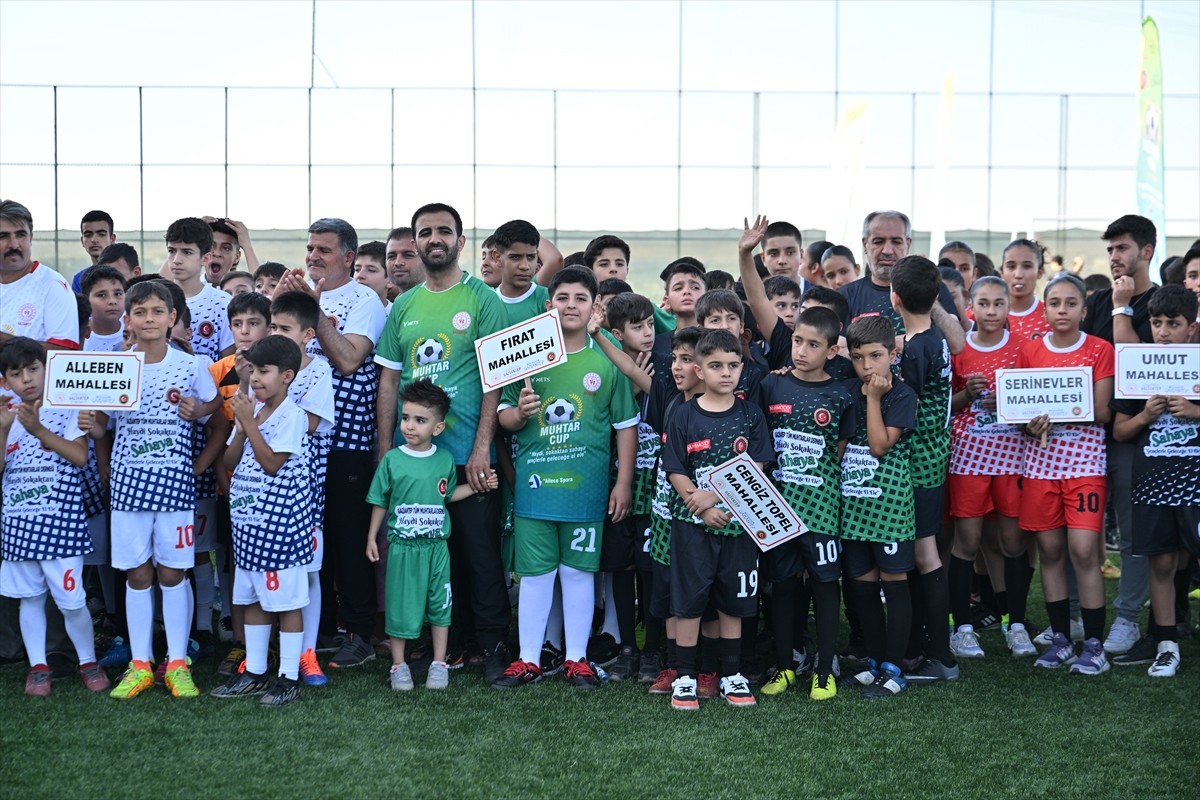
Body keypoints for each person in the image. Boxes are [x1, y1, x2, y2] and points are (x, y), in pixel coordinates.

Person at [375, 203, 511, 681]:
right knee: (430, 558)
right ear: (416, 243)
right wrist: (386, 451)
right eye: (426, 232)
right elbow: (389, 383)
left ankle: (494, 648)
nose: (435, 238)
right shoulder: (404, 306)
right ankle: (444, 649)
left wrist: (480, 448)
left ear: (460, 241)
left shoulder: (481, 299)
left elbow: (496, 380)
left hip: (468, 456)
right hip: (414, 461)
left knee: (479, 556)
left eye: (444, 231)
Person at [492, 266, 638, 690]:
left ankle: (577, 659)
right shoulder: (525, 358)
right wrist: (518, 414)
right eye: (562, 297)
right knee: (535, 576)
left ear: (594, 307)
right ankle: (528, 659)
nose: (570, 305)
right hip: (536, 491)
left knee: (577, 574)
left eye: (580, 298)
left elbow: (625, 425)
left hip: (586, 491)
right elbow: (503, 417)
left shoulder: (604, 359)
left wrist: (623, 483)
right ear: (548, 304)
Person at [80, 280, 219, 699]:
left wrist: (198, 463)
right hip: (128, 490)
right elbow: (105, 428)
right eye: (140, 313)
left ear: (172, 318)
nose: (149, 319)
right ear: (129, 319)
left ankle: (176, 663)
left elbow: (217, 418)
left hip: (175, 489)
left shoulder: (191, 366)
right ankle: (140, 664)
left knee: (174, 573)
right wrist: (94, 425)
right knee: (138, 575)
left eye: (158, 312)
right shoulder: (117, 365)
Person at [277, 218, 387, 669]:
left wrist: (313, 311)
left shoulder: (366, 300)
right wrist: (284, 305)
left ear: (348, 257)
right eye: (310, 248)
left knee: (348, 536)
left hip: (346, 441)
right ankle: (316, 629)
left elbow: (346, 360)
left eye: (324, 249)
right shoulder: (297, 295)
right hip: (296, 438)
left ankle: (359, 632)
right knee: (308, 535)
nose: (313, 256)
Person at [662, 328, 772, 711]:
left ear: (742, 368)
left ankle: (731, 675)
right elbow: (674, 468)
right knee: (690, 601)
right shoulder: (683, 415)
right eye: (715, 366)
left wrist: (719, 496)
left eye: (732, 365)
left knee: (733, 601)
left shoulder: (751, 415)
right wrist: (701, 503)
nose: (725, 372)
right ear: (699, 370)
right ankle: (686, 678)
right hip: (691, 524)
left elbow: (757, 465)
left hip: (740, 525)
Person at [366, 379, 497, 691]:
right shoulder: (392, 460)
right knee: (400, 606)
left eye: (420, 420)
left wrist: (480, 486)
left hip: (437, 548)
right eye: (406, 418)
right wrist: (373, 537)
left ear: (437, 428)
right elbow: (380, 500)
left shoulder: (444, 460)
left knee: (441, 605)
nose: (410, 426)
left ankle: (440, 664)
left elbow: (446, 496)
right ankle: (399, 666)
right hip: (402, 548)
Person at [0, 338, 108, 696]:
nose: (27, 379)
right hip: (18, 522)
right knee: (29, 598)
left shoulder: (67, 407)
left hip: (61, 523)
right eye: (16, 374)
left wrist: (39, 430)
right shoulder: (6, 415)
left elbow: (79, 457)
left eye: (34, 369)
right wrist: (3, 429)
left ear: (48, 369)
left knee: (71, 598)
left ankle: (88, 662)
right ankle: (39, 668)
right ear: (6, 381)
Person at [756, 307, 854, 700]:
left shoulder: (842, 393)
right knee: (782, 586)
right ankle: (785, 665)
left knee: (825, 585)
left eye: (813, 345)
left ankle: (824, 668)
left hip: (822, 510)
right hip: (778, 509)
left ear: (832, 351)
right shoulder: (771, 385)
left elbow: (842, 451)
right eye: (797, 341)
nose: (801, 350)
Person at [1019, 275, 1114, 674]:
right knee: (1051, 553)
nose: (1062, 310)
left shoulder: (1099, 349)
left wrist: (1059, 412)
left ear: (1084, 309)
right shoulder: (1030, 350)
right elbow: (1020, 411)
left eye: (1071, 303)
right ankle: (1061, 639)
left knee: (1082, 551)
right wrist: (1030, 424)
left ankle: (1094, 644)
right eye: (1055, 303)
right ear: (1044, 308)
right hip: (1040, 466)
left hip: (1085, 465)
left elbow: (1103, 411)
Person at [210, 336, 312, 706]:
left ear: (287, 376)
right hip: (249, 526)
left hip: (280, 528)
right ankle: (254, 671)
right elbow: (231, 460)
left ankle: (287, 677)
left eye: (264, 372)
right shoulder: (253, 409)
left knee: (286, 604)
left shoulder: (292, 415)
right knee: (251, 599)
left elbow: (271, 464)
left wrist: (249, 422)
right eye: (252, 370)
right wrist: (241, 423)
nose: (255, 379)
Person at [1110, 285, 1200, 677]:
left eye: (1173, 324)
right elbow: (1119, 431)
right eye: (1157, 323)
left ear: (1191, 328)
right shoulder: (1138, 366)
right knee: (1161, 560)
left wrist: (1195, 412)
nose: (1163, 331)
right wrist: (1145, 416)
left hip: (1194, 480)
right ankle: (1165, 643)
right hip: (1154, 481)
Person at [1083, 216, 1160, 658]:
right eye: (1110, 250)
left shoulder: (1163, 303)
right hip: (1089, 435)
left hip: (1137, 435)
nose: (1115, 257)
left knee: (1131, 536)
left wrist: (1123, 306)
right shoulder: (1095, 300)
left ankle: (1128, 619)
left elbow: (1134, 366)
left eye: (1123, 248)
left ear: (1146, 251)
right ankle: (1075, 613)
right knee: (1082, 531)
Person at [946, 276, 1033, 657]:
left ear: (1008, 307)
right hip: (968, 457)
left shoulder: (1024, 349)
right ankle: (962, 626)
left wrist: (1011, 404)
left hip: (1013, 455)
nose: (992, 311)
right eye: (984, 303)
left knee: (1012, 542)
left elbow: (1035, 401)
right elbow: (946, 403)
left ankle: (1015, 623)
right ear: (971, 306)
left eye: (999, 303)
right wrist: (968, 394)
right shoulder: (959, 348)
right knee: (967, 541)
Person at [840, 315, 918, 698]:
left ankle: (894, 667)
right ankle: (873, 662)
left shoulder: (902, 395)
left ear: (892, 353)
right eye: (858, 358)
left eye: (875, 356)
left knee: (895, 586)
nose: (867, 366)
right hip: (854, 509)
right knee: (863, 590)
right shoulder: (846, 389)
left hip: (889, 510)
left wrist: (872, 398)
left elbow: (879, 445)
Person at [889, 256, 959, 683]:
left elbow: (904, 406)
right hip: (932, 456)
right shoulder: (931, 340)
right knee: (920, 555)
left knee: (925, 554)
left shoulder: (918, 348)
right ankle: (918, 647)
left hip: (918, 463)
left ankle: (941, 657)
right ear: (935, 298)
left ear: (893, 297)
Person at [587, 290, 660, 680]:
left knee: (649, 570)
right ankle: (626, 646)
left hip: (652, 492)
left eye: (650, 325)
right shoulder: (604, 369)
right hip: (614, 486)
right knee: (620, 568)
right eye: (637, 327)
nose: (647, 333)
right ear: (617, 333)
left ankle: (651, 650)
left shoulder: (661, 370)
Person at [268, 291, 336, 686]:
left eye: (285, 328)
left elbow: (310, 424)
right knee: (270, 566)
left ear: (308, 334)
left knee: (307, 569)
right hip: (264, 482)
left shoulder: (318, 370)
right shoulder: (261, 369)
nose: (276, 333)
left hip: (304, 487)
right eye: (272, 326)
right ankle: (270, 651)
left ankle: (308, 653)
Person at [208, 291, 273, 676]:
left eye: (254, 323)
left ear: (268, 326)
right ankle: (239, 642)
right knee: (236, 566)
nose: (245, 331)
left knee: (272, 565)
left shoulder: (280, 368)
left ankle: (275, 640)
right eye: (237, 324)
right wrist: (223, 481)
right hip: (232, 485)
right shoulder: (219, 371)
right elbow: (215, 432)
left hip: (271, 485)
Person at [839, 210, 965, 355]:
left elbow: (957, 345)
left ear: (908, 244)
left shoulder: (933, 285)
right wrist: (890, 347)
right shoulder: (847, 295)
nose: (887, 250)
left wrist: (927, 294)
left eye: (896, 242)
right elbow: (836, 351)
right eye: (878, 241)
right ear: (865, 244)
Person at [0, 200, 81, 350]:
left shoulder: (52, 285)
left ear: (31, 237)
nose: (14, 244)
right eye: (3, 236)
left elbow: (63, 354)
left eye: (20, 235)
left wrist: (5, 341)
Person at [164, 217, 235, 364]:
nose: (177, 259)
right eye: (172, 251)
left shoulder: (222, 303)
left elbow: (228, 364)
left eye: (187, 252)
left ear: (206, 258)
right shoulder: (156, 298)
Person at [999, 239, 1050, 342]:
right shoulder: (985, 315)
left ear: (1040, 272)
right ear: (1002, 272)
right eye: (1011, 266)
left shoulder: (1052, 316)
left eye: (1027, 266)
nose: (1018, 274)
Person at [203, 218, 261, 287]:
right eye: (211, 246)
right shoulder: (188, 290)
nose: (217, 253)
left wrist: (247, 247)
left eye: (226, 248)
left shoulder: (240, 292)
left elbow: (260, 291)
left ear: (237, 257)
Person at [82, 265, 128, 353]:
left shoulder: (134, 330)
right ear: (87, 299)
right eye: (102, 295)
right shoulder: (78, 333)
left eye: (118, 294)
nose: (112, 301)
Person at [76, 210, 116, 291]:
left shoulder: (125, 274)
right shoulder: (79, 279)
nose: (94, 240)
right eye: (88, 235)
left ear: (112, 239)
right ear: (82, 241)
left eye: (101, 234)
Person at [385, 226, 424, 296]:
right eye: (391, 256)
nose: (398, 263)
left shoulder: (440, 301)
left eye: (408, 255)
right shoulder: (397, 304)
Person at [353, 241, 391, 309]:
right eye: (357, 269)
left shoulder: (397, 314)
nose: (360, 275)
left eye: (371, 270)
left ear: (390, 280)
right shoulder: (340, 312)